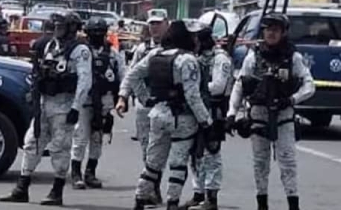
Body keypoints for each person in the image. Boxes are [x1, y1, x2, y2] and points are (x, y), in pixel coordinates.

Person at [116, 20, 212, 210]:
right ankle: (172, 204)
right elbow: (193, 96)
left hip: (157, 114)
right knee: (178, 165)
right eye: (193, 36)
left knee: (152, 164)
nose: (196, 40)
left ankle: (139, 201)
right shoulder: (188, 60)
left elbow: (133, 74)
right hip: (182, 119)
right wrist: (207, 123)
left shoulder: (154, 54)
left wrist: (142, 99)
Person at [0, 10, 92, 206]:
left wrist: (76, 107)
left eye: (61, 27)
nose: (57, 30)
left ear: (71, 29)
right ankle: (21, 188)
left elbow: (85, 81)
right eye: (55, 26)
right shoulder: (50, 45)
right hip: (44, 104)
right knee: (31, 143)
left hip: (64, 106)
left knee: (60, 148)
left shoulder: (80, 51)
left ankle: (56, 191)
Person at [227, 12, 315, 210]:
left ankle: (293, 204)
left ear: (283, 33)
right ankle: (262, 203)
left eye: (276, 30)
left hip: (283, 116)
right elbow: (240, 86)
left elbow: (309, 86)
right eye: (268, 29)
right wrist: (232, 114)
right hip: (258, 115)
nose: (271, 34)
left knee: (288, 163)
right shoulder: (253, 57)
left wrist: (291, 100)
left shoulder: (293, 58)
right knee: (260, 163)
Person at [70, 17, 125, 190]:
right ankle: (76, 173)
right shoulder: (81, 51)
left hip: (104, 101)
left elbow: (122, 74)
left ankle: (90, 172)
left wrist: (122, 98)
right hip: (85, 100)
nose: (97, 35)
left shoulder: (112, 53)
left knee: (97, 138)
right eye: (93, 32)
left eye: (100, 32)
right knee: (80, 137)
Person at [121, 13, 170, 205]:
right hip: (145, 104)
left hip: (165, 103)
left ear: (166, 24)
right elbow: (132, 73)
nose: (154, 28)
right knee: (146, 148)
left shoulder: (173, 47)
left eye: (158, 24)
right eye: (152, 24)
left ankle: (158, 187)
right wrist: (124, 96)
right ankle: (153, 187)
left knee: (161, 148)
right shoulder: (142, 49)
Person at [183, 26, 233, 210]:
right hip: (195, 108)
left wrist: (194, 88)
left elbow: (219, 86)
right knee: (194, 153)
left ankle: (212, 197)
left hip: (214, 109)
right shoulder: (195, 58)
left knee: (211, 153)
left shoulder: (220, 58)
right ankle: (198, 193)